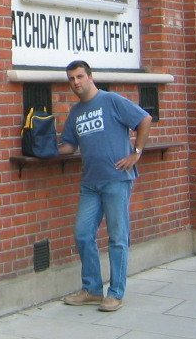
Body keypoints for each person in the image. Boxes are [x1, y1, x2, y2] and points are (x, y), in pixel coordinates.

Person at [58, 59, 152, 313]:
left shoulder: (111, 101)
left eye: (79, 77)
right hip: (90, 183)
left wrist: (136, 153)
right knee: (83, 234)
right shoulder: (76, 112)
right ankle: (92, 289)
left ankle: (116, 293)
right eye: (71, 79)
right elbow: (69, 145)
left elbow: (144, 119)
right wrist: (45, 147)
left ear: (90, 77)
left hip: (116, 180)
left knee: (118, 238)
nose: (76, 82)